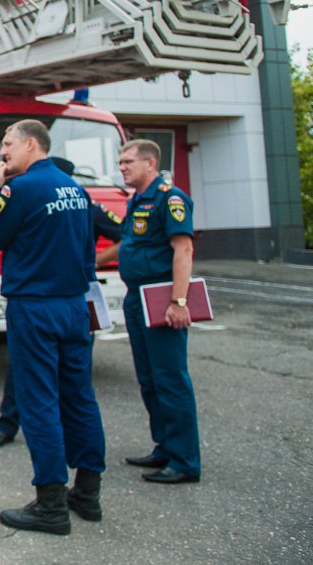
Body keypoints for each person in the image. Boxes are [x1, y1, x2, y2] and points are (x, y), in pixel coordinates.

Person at [0, 120, 105, 536]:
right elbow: (88, 246)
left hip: (35, 307)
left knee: (38, 402)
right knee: (81, 397)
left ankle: (50, 504)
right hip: (74, 306)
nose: (3, 152)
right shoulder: (76, 189)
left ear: (33, 144)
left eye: (9, 144)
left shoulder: (22, 188)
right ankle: (87, 493)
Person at [0, 156, 123, 450]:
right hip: (52, 299)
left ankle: (54, 459)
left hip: (70, 296)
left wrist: (96, 260)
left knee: (69, 380)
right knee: (24, 372)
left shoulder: (84, 203)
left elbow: (124, 234)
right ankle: (8, 423)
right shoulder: (42, 196)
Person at [98, 139, 200, 484]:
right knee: (149, 379)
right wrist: (91, 262)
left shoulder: (169, 199)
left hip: (160, 295)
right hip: (134, 296)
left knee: (170, 379)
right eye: (121, 162)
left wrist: (179, 301)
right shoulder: (139, 199)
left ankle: (184, 461)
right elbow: (127, 244)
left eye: (128, 162)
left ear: (150, 163)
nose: (122, 167)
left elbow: (183, 249)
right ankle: (165, 447)